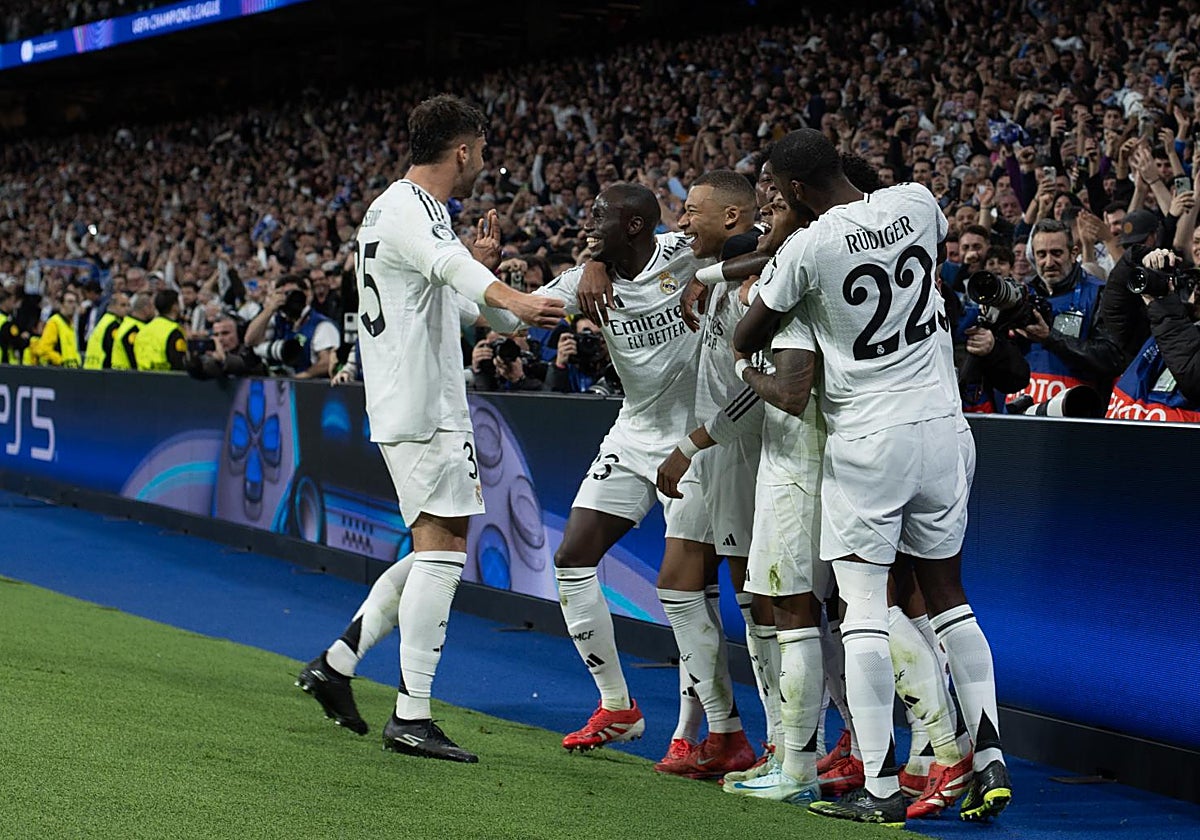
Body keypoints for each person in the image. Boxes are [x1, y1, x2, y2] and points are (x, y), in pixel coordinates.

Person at [734, 129, 1009, 827]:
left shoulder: (808, 247)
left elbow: (748, 333)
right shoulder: (916, 201)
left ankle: (882, 787)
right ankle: (988, 754)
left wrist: (753, 348)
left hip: (869, 440)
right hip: (944, 427)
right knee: (948, 597)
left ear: (794, 191)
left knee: (862, 607)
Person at [295, 93, 564, 763]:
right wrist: (509, 292)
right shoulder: (409, 210)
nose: (484, 165)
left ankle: (336, 664)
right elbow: (454, 274)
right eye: (483, 153)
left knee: (432, 549)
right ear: (462, 150)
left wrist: (495, 286)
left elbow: (467, 305)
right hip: (422, 406)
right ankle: (411, 715)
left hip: (413, 402)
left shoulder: (405, 213)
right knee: (443, 551)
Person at [491, 182, 755, 772]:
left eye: (598, 216)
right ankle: (617, 704)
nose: (587, 224)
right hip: (633, 432)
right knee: (572, 558)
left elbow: (756, 237)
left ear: (634, 226)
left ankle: (702, 732)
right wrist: (490, 275)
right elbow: (504, 317)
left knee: (688, 591)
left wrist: (710, 274)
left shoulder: (684, 251)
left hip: (698, 438)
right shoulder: (585, 279)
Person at [245, 275, 339, 379]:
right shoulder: (278, 321)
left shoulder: (322, 325)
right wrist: (269, 309)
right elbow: (250, 340)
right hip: (279, 382)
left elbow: (327, 362)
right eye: (283, 295)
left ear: (307, 294)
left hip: (309, 384)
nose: (288, 298)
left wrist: (298, 379)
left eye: (293, 293)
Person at [185, 315, 266, 379]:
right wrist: (192, 358)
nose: (220, 339)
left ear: (239, 334)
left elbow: (242, 366)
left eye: (225, 333)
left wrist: (223, 359)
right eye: (216, 334)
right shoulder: (214, 356)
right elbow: (202, 373)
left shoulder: (251, 352)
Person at [133, 289, 188, 372]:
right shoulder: (173, 331)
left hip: (141, 376)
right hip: (165, 377)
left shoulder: (144, 329)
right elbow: (178, 363)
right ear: (174, 306)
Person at [32, 291, 82, 368]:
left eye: (75, 302)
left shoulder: (70, 325)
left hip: (72, 369)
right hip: (60, 370)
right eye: (70, 302)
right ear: (62, 304)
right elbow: (44, 349)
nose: (73, 306)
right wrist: (60, 360)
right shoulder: (54, 322)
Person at [83, 292, 129, 370]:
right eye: (123, 305)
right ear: (113, 306)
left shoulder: (105, 320)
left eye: (128, 305)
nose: (127, 309)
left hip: (92, 366)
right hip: (102, 368)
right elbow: (111, 349)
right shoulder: (113, 324)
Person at [112, 293, 154, 370]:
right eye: (153, 308)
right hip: (126, 373)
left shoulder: (128, 323)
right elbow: (133, 355)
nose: (155, 312)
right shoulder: (133, 329)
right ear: (146, 309)